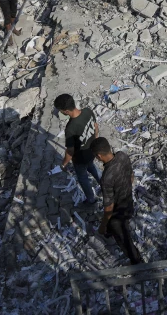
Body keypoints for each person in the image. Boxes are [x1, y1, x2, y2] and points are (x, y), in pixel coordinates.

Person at [90, 137, 143, 265]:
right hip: (128, 202)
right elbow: (131, 176)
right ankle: (109, 233)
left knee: (124, 240)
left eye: (95, 156)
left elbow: (109, 208)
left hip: (118, 213)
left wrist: (102, 226)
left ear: (99, 156)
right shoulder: (122, 156)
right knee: (118, 227)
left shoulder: (106, 178)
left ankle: (137, 262)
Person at [56, 94, 100, 207]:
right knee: (92, 167)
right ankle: (106, 185)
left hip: (80, 159)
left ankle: (91, 200)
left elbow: (70, 151)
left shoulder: (70, 128)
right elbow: (96, 127)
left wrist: (63, 164)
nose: (60, 112)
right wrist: (95, 140)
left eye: (60, 110)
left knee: (83, 178)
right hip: (92, 151)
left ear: (66, 111)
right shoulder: (87, 111)